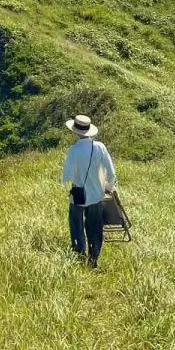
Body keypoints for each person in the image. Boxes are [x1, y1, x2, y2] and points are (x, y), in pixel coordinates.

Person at [61, 114, 117, 267]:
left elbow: (66, 175)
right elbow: (111, 173)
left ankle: (79, 256)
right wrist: (108, 187)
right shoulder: (100, 147)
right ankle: (93, 259)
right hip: (97, 195)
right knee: (95, 228)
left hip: (78, 196)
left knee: (76, 225)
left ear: (76, 131)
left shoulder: (74, 150)